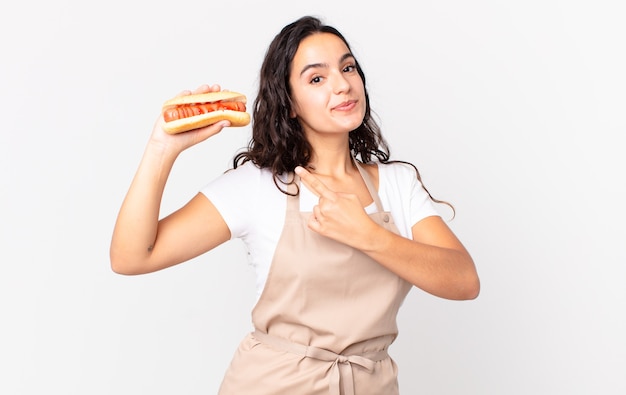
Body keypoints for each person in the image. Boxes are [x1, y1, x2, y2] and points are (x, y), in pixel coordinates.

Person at [110, 15, 479, 395]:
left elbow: (464, 281)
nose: (342, 84)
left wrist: (368, 234)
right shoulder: (259, 185)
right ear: (289, 105)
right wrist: (162, 149)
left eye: (348, 67)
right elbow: (132, 257)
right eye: (317, 78)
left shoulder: (398, 184)